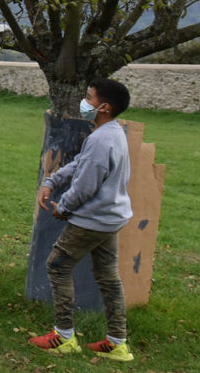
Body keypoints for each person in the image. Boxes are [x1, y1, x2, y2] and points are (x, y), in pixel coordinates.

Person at [29, 78, 134, 362]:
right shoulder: (112, 132)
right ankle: (117, 342)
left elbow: (86, 183)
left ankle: (63, 336)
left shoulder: (101, 139)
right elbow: (80, 164)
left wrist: (63, 206)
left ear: (104, 107)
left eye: (89, 97)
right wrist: (52, 179)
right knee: (108, 277)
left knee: (58, 266)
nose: (84, 101)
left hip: (91, 221)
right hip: (110, 218)